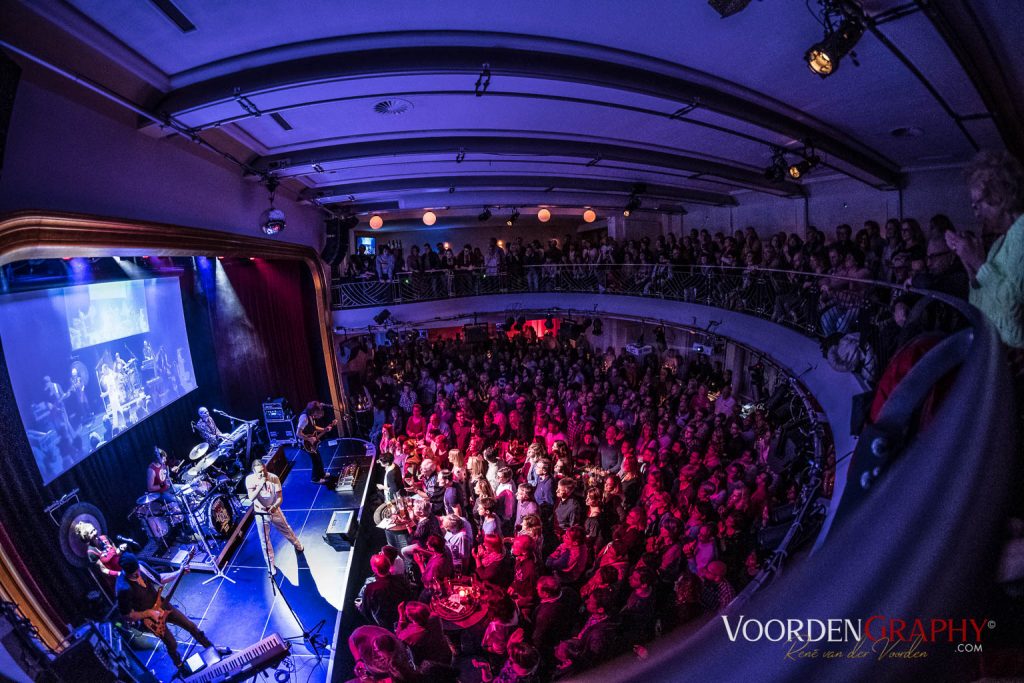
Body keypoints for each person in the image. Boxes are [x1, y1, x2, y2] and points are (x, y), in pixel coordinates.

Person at [947, 150, 1024, 349]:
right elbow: (980, 306)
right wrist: (968, 262)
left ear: (999, 195)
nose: (975, 212)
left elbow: (1012, 309)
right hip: (997, 351)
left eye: (978, 203)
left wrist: (977, 262)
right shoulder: (999, 243)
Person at [115, 552, 224, 673]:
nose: (138, 574)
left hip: (163, 606)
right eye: (134, 574)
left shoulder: (141, 566)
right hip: (151, 620)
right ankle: (180, 665)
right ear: (125, 572)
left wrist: (178, 573)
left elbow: (160, 578)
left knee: (191, 626)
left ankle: (211, 648)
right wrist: (149, 613)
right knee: (172, 643)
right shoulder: (123, 588)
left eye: (138, 570)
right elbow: (127, 616)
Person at [245, 460, 303, 576]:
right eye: (260, 472)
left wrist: (275, 506)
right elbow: (251, 497)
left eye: (264, 470)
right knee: (264, 540)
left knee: (286, 529)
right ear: (254, 473)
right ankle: (270, 564)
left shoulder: (273, 478)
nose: (263, 474)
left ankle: (296, 544)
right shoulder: (250, 480)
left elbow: (280, 497)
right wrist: (260, 484)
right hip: (261, 513)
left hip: (274, 510)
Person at [360, 552, 413, 630]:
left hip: (385, 621)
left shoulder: (370, 588)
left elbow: (366, 611)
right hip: (404, 614)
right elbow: (409, 595)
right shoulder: (401, 579)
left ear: (374, 569)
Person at [296, 401, 334, 483]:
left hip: (310, 441)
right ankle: (315, 479)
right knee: (315, 460)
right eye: (317, 413)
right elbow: (298, 433)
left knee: (318, 458)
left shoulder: (310, 416)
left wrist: (324, 429)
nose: (318, 416)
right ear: (313, 411)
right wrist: (309, 439)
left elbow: (313, 427)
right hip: (305, 443)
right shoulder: (304, 418)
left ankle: (322, 474)